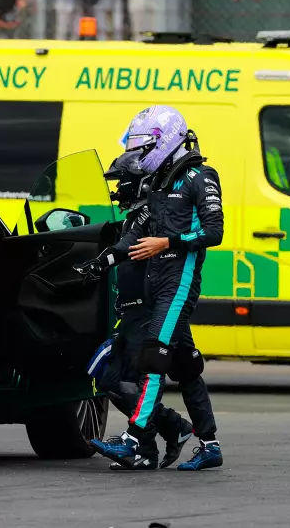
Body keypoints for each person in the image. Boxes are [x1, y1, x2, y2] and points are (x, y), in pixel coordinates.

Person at [89, 105, 224, 471]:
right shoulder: (157, 184)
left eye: (144, 147)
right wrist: (102, 262)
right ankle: (209, 445)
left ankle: (134, 441)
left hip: (180, 280)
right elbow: (134, 238)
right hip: (156, 282)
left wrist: (166, 243)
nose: (140, 156)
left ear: (166, 141)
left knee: (153, 356)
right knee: (186, 365)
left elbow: (214, 232)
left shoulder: (201, 176)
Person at [76, 151, 195, 471]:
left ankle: (145, 450)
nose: (117, 190)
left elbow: (126, 247)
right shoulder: (137, 215)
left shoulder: (151, 216)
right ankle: (173, 428)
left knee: (131, 378)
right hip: (129, 313)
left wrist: (100, 262)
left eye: (122, 182)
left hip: (146, 313)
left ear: (140, 182)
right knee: (106, 375)